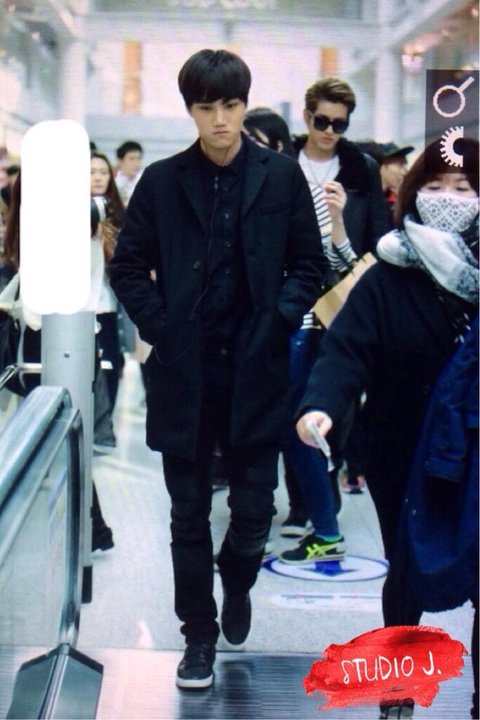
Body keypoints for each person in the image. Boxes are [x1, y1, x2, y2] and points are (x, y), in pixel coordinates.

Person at [108, 48, 327, 690]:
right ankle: (197, 637)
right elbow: (127, 265)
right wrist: (163, 327)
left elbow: (309, 264)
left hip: (258, 368)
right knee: (187, 515)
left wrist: (280, 318)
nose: (221, 120)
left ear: (244, 104)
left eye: (231, 106)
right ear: (191, 111)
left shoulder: (281, 177)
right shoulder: (162, 181)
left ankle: (237, 576)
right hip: (186, 371)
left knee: (256, 510)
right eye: (207, 108)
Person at [295, 137, 479, 719]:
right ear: (412, 195)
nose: (448, 198)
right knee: (406, 568)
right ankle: (399, 691)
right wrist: (320, 406)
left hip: (476, 448)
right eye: (435, 186)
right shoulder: (388, 274)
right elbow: (346, 351)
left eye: (464, 188)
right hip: (400, 447)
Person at [1, 171, 115, 553]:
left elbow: (36, 312)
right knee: (65, 434)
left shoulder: (66, 229)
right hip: (78, 340)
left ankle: (89, 530)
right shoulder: (87, 226)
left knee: (57, 434)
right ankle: (90, 530)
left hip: (52, 342)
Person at [90, 150, 125, 419]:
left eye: (103, 172)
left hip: (109, 306)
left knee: (112, 368)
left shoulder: (117, 216)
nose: (98, 178)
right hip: (80, 308)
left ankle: (103, 427)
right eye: (91, 172)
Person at [357, 140, 414, 229]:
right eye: (400, 165)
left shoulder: (394, 202)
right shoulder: (361, 202)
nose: (405, 172)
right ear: (381, 166)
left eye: (405, 165)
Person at [115, 140, 143, 207]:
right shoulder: (114, 183)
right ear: (120, 161)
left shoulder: (145, 181)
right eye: (131, 159)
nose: (136, 163)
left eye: (138, 159)